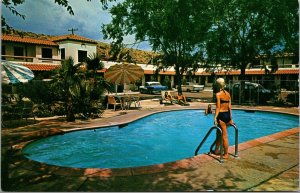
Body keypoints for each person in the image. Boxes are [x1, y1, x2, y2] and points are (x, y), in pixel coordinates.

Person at [213, 78, 234, 159]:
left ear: (218, 85)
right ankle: (216, 150)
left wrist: (215, 118)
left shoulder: (218, 94)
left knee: (224, 136)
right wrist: (231, 118)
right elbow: (230, 107)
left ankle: (226, 154)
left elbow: (218, 107)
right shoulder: (228, 94)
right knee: (219, 133)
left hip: (221, 115)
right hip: (227, 115)